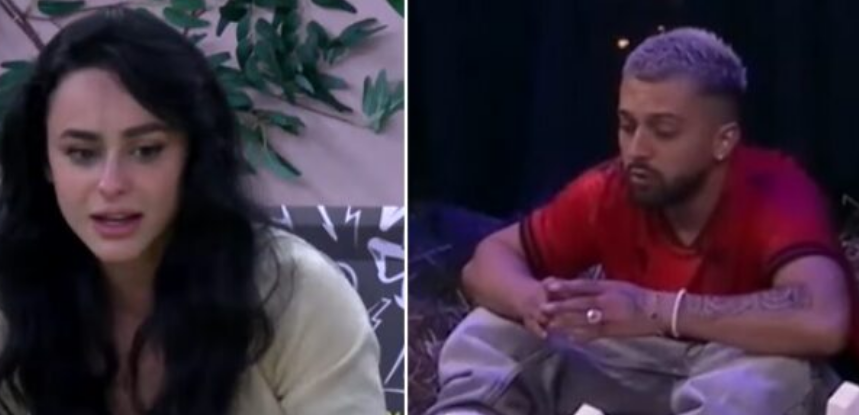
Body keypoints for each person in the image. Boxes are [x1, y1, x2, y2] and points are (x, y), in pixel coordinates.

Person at [427, 27, 854, 415]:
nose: (636, 150)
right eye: (627, 126)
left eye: (663, 131)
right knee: (493, 328)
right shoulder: (610, 187)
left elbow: (823, 320)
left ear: (723, 141)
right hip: (631, 364)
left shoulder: (777, 192)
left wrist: (656, 310)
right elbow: (488, 259)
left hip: (737, 365)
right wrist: (531, 300)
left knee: (777, 377)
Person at [0, 7, 385, 415]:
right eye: (81, 153)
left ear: (194, 154)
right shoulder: (11, 299)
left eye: (146, 150)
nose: (111, 184)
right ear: (44, 161)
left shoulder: (298, 297)